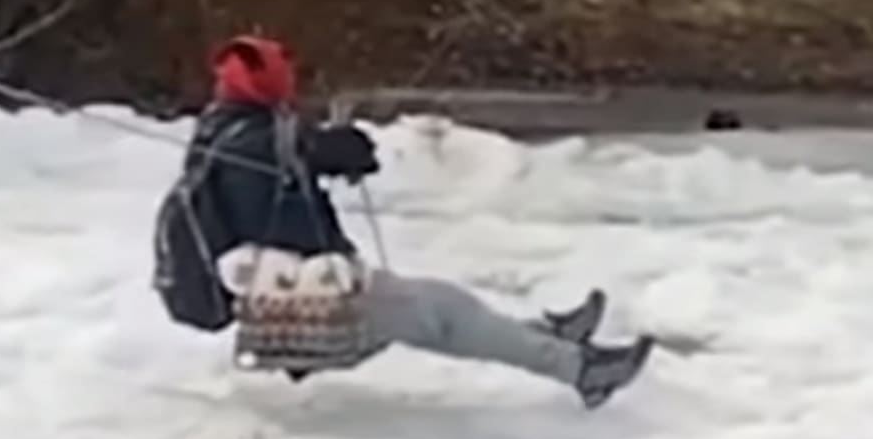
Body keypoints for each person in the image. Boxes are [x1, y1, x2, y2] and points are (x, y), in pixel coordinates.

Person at [160, 33, 654, 410]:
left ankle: (549, 337)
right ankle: (582, 370)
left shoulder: (226, 129)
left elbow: (289, 157)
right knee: (446, 313)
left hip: (305, 299)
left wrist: (323, 155)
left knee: (447, 314)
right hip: (305, 313)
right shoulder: (252, 140)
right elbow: (277, 169)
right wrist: (330, 153)